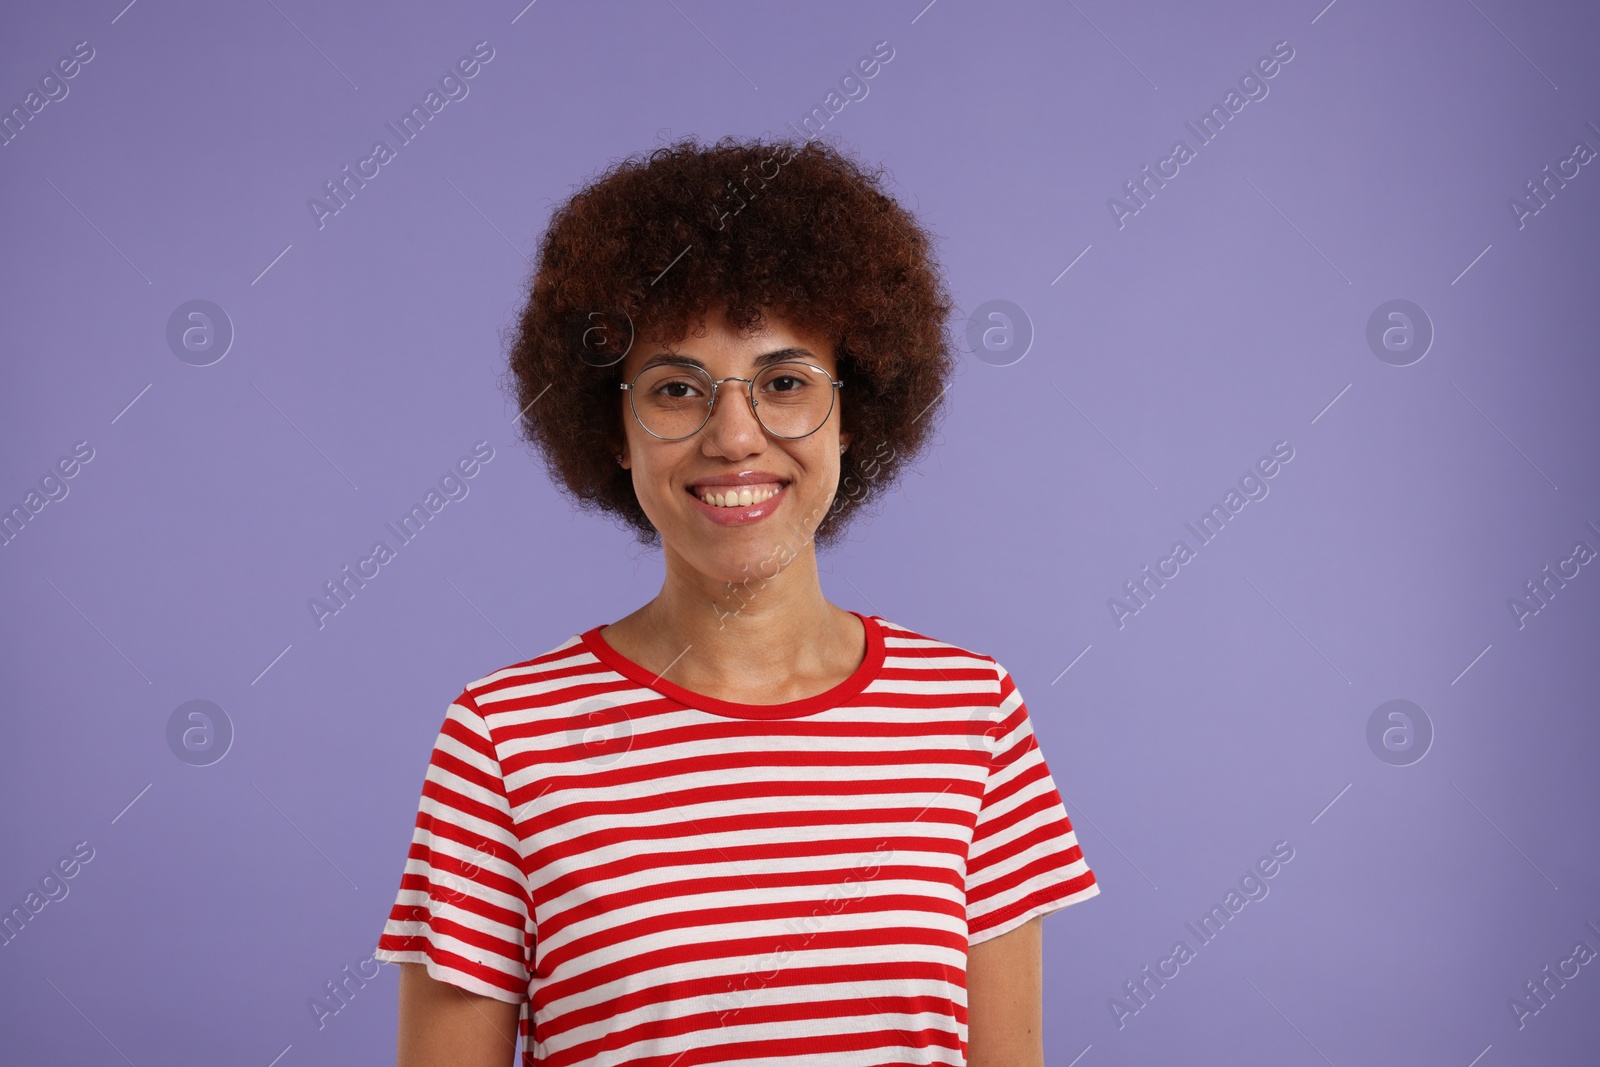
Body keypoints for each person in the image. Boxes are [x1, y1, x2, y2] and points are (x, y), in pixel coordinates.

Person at [374, 134, 1099, 1067]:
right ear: (615, 431)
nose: (734, 436)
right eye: (677, 389)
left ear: (853, 411)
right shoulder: (503, 740)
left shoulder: (972, 713)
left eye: (784, 383)